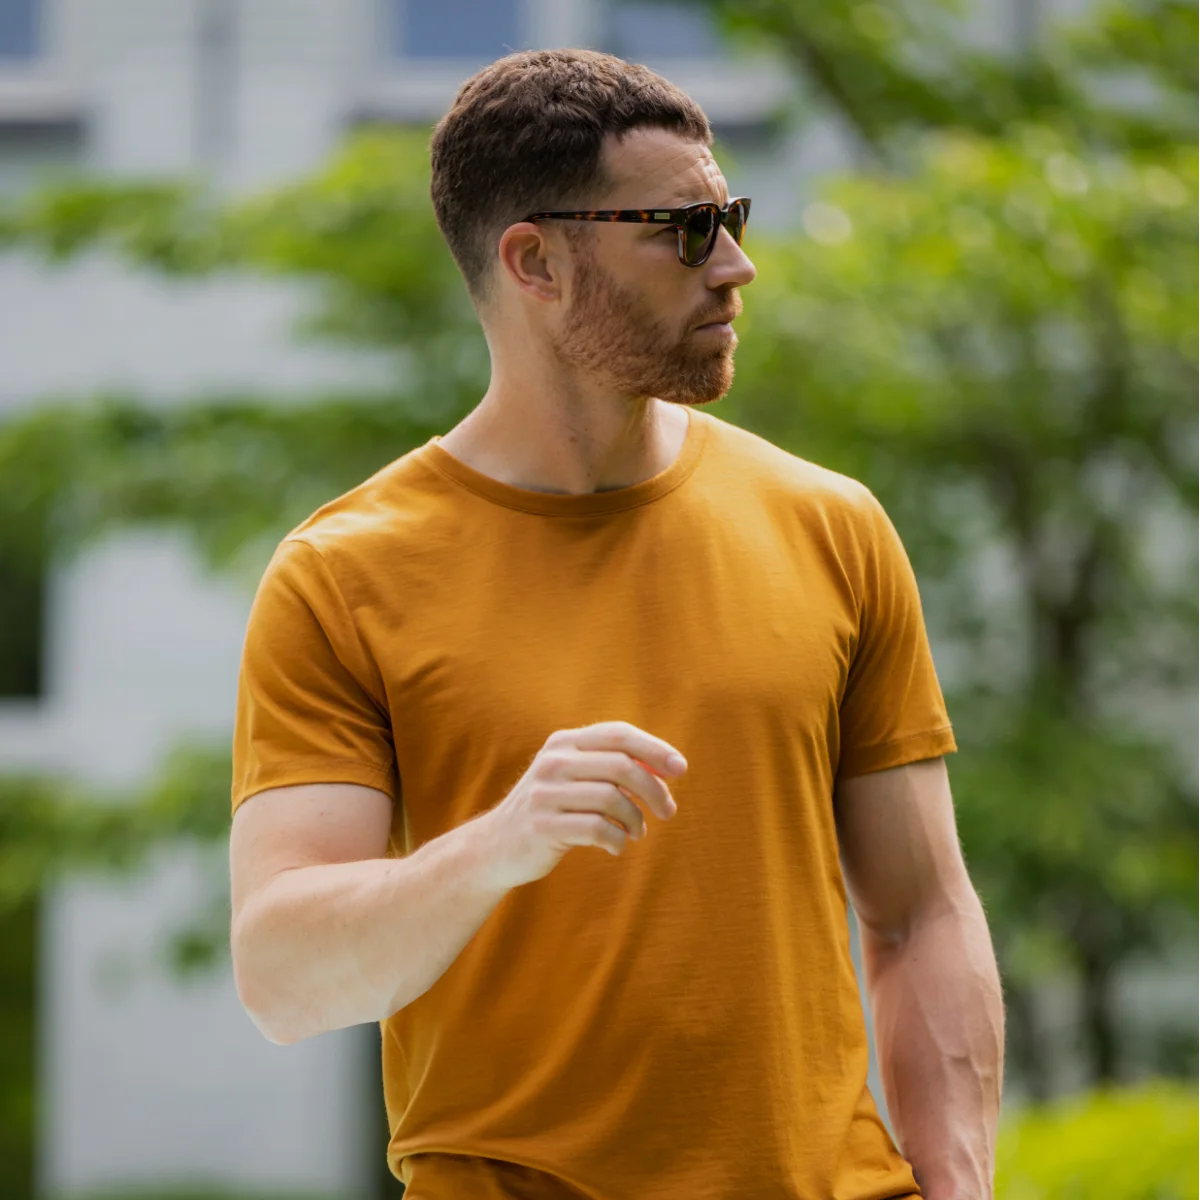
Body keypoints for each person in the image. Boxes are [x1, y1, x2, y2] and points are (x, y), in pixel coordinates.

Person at [228, 47, 1004, 1200]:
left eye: (729, 218)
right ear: (537, 261)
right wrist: (501, 845)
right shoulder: (342, 577)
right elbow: (285, 978)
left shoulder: (832, 525)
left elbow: (924, 911)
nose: (737, 267)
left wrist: (958, 1182)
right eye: (685, 231)